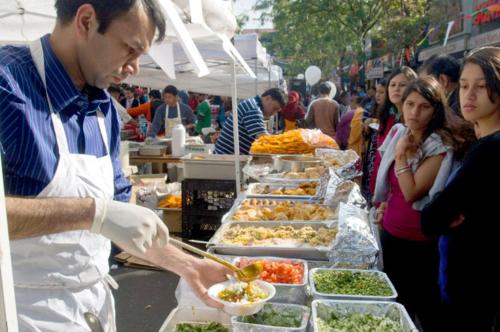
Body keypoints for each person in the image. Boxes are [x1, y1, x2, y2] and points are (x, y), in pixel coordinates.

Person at [0, 1, 231, 330]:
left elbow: (121, 214)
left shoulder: (103, 108)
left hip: (93, 306)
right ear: (87, 21)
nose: (135, 68)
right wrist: (92, 214)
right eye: (130, 49)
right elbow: (102, 214)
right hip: (22, 311)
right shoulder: (7, 84)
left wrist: (189, 266)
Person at [373, 76, 472, 332]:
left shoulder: (440, 146)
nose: (414, 112)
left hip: (421, 245)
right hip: (392, 236)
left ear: (435, 110)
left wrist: (401, 156)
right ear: (401, 105)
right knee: (395, 309)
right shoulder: (400, 133)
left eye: (423, 107)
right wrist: (383, 205)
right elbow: (393, 187)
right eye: (410, 104)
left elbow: (412, 192)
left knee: (426, 312)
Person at [421, 46, 500, 332]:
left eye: (482, 86)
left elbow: (431, 220)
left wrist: (443, 208)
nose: (468, 95)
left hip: (474, 282)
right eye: (465, 85)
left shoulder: (490, 150)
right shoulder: (481, 143)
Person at [369, 66, 417, 195]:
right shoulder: (388, 118)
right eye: (393, 85)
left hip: (400, 190)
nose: (396, 89)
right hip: (380, 184)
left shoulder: (415, 123)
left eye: (402, 85)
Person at [214, 88, 286, 155]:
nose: (274, 113)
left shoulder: (252, 103)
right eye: (274, 109)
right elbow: (264, 139)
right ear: (268, 98)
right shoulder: (253, 109)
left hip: (228, 157)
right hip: (228, 160)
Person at [361, 79, 386, 204]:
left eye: (382, 92)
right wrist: (366, 124)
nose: (378, 95)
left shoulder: (393, 114)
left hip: (382, 154)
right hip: (372, 151)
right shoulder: (371, 108)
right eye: (377, 91)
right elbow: (364, 132)